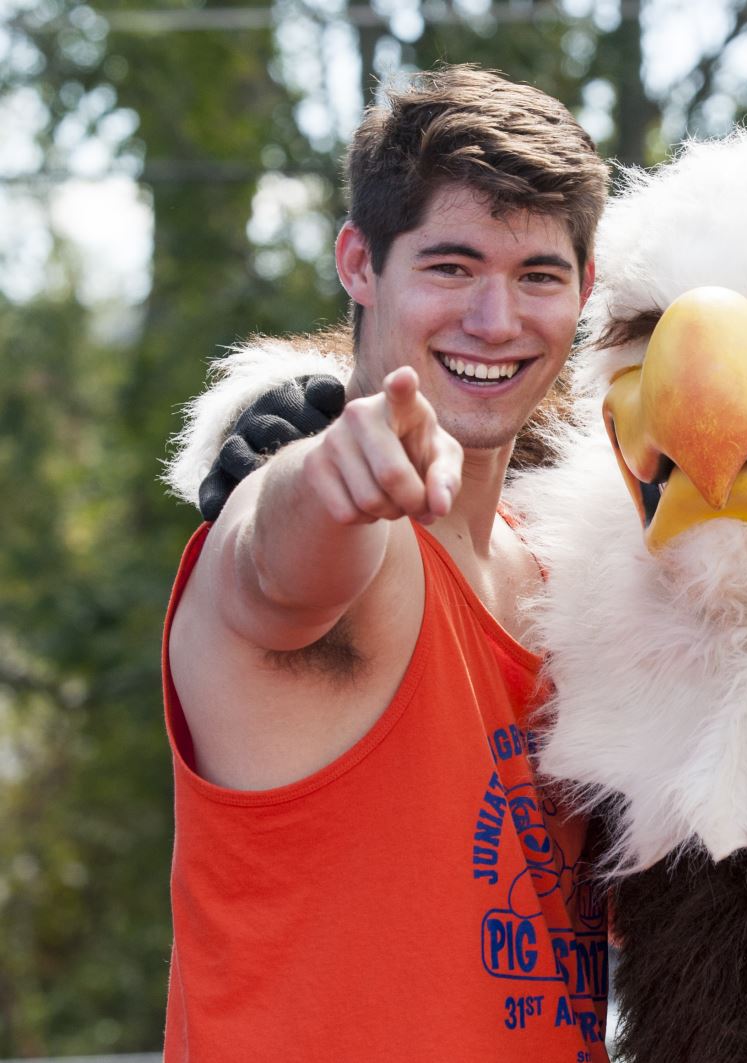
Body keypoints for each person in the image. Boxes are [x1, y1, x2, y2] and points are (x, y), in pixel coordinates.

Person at [161, 65, 610, 1060]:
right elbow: (277, 575)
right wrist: (326, 480)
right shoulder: (347, 540)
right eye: (450, 267)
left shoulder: (567, 587)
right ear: (359, 264)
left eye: (538, 275)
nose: (497, 321)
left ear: (585, 288)